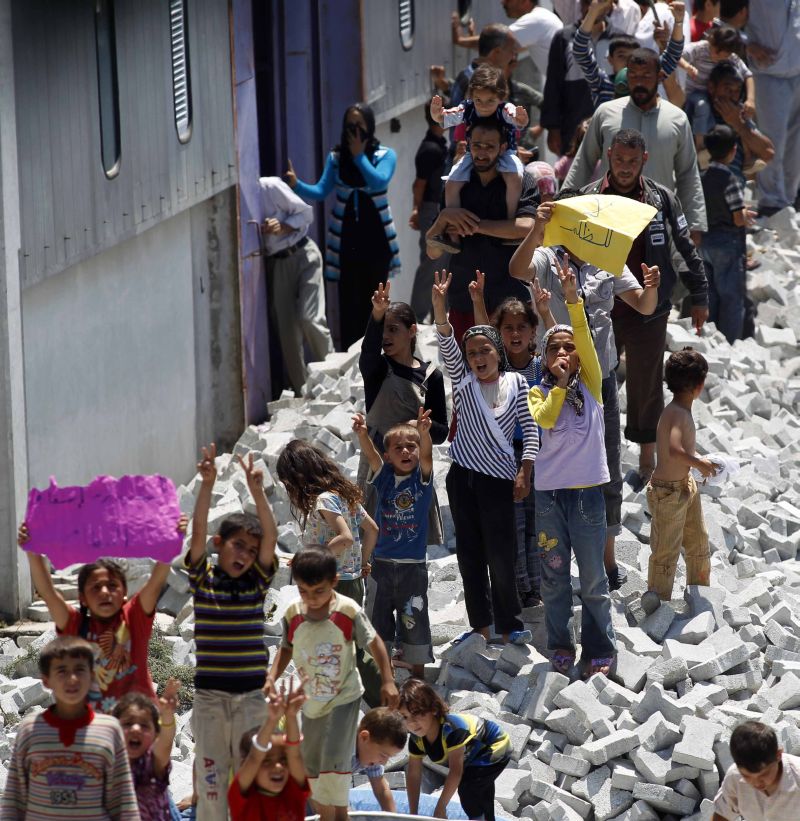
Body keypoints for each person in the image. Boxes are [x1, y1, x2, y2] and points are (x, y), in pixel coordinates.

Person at [510, 193, 661, 590]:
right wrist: (538, 229)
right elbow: (516, 267)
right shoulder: (546, 257)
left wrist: (652, 288)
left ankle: (606, 561)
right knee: (546, 467)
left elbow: (644, 306)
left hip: (599, 380)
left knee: (605, 468)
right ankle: (548, 563)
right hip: (553, 381)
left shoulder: (608, 259)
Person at [578, 128, 709, 485]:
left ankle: (648, 461)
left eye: (632, 161)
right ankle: (596, 459)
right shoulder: (590, 198)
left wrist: (700, 295)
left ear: (644, 160)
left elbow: (685, 246)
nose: (624, 167)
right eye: (618, 159)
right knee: (595, 380)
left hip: (649, 309)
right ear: (608, 156)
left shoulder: (661, 199)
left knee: (646, 383)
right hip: (602, 306)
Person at [432, 270, 536, 645]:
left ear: (498, 354)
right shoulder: (462, 380)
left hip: (499, 482)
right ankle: (480, 624)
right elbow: (446, 341)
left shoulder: (517, 383)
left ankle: (509, 623)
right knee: (470, 555)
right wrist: (440, 305)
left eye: (484, 351)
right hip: (463, 478)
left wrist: (525, 471)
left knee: (502, 555)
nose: (477, 357)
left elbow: (530, 431)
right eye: (472, 352)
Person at [528, 256, 616, 678]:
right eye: (554, 349)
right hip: (548, 497)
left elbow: (580, 331)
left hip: (586, 494)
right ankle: (561, 645)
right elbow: (545, 418)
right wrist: (558, 385)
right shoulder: (538, 391)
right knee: (554, 577)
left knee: (594, 578)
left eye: (569, 349)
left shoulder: (594, 383)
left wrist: (568, 301)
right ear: (544, 359)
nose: (563, 352)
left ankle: (601, 648)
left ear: (581, 357)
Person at [268, 546, 399, 821]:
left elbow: (374, 643)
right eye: (304, 591)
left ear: (334, 582)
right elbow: (286, 648)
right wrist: (271, 677)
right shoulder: (294, 612)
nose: (311, 599)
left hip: (344, 699)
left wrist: (387, 679)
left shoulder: (347, 611)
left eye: (319, 591)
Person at [186, 444, 278, 821]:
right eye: (237, 545)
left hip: (251, 698)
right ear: (218, 546)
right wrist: (207, 485)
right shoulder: (202, 578)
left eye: (250, 550)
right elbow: (196, 532)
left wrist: (257, 490)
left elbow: (270, 538)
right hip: (209, 699)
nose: (244, 554)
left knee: (248, 780)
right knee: (211, 781)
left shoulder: (256, 582)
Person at [18, 517, 186, 714]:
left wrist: (173, 541)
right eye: (96, 587)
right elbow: (48, 592)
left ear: (124, 592)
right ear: (83, 598)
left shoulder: (134, 617)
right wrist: (32, 551)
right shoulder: (75, 625)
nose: (105, 592)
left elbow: (156, 581)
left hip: (136, 725)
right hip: (94, 728)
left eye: (112, 586)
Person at [275, 439, 384, 708]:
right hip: (350, 580)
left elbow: (344, 537)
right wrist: (363, 563)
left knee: (351, 648)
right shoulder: (343, 496)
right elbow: (372, 530)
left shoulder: (324, 500)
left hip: (336, 585)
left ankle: (386, 700)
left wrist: (311, 559)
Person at [286, 103, 400, 349]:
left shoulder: (385, 155)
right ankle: (352, 355)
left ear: (369, 126)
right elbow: (321, 191)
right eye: (350, 125)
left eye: (360, 124)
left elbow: (379, 182)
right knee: (350, 302)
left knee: (376, 301)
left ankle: (379, 352)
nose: (355, 130)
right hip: (346, 242)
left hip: (377, 242)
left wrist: (359, 156)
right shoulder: (337, 159)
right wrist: (296, 184)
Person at [469, 273, 553, 606]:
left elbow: (564, 343)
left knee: (537, 523)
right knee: (514, 523)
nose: (515, 333)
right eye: (508, 328)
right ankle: (518, 587)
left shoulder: (539, 369)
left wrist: (545, 311)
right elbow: (481, 336)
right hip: (504, 457)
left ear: (533, 333)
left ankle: (536, 585)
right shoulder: (497, 368)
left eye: (522, 327)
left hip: (538, 456)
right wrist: (477, 301)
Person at [564, 48, 708, 237]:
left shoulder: (677, 119)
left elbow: (688, 174)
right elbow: (583, 163)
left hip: (658, 226)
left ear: (659, 76)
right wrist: (563, 207)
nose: (639, 82)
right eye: (633, 75)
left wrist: (694, 224)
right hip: (610, 224)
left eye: (646, 76)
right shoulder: (606, 113)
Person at [0, 636, 140, 820]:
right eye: (62, 671)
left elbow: (124, 803)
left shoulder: (109, 730)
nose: (72, 678)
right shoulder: (30, 729)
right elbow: (14, 801)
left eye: (79, 670)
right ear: (46, 680)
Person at [425, 118, 539, 342]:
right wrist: (444, 218)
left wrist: (476, 225)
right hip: (464, 297)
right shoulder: (456, 183)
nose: (482, 152)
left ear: (503, 148)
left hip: (510, 301)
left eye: (489, 146)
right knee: (468, 372)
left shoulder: (520, 180)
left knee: (514, 374)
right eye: (477, 145)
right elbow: (433, 252)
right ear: (468, 145)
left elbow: (527, 227)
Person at [352, 409, 434, 679]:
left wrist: (424, 435)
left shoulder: (421, 480)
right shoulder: (385, 477)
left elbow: (427, 456)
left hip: (413, 568)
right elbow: (372, 457)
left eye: (411, 446)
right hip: (381, 565)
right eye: (398, 447)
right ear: (389, 456)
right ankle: (381, 675)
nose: (406, 451)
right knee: (378, 619)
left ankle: (418, 677)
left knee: (415, 620)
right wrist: (363, 435)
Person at [640, 349, 716, 612]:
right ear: (699, 386)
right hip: (668, 492)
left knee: (697, 539)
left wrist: (698, 460)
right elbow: (673, 449)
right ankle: (657, 604)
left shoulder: (679, 409)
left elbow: (680, 450)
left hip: (685, 486)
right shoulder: (677, 413)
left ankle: (699, 591)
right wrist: (700, 464)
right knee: (666, 551)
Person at [429, 66, 529, 254]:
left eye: (490, 100)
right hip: (472, 153)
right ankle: (453, 235)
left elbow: (516, 118)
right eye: (478, 100)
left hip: (505, 153)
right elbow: (448, 118)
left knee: (514, 177)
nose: (483, 105)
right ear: (471, 96)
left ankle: (511, 221)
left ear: (501, 97)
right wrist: (437, 115)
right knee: (451, 182)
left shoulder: (504, 109)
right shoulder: (467, 108)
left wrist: (521, 120)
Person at [258, 176, 334, 396]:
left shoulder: (269, 187)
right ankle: (305, 397)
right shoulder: (239, 200)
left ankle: (333, 379)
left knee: (310, 318)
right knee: (288, 336)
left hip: (303, 255)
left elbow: (306, 213)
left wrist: (283, 226)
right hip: (278, 264)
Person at [399, 677, 511, 821]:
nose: (411, 722)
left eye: (417, 713)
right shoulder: (416, 740)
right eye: (405, 717)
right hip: (473, 758)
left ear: (433, 708)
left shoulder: (451, 730)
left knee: (468, 789)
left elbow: (456, 772)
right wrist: (412, 814)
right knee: (481, 795)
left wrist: (440, 807)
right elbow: (414, 775)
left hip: (495, 745)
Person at [700, 125, 755, 343]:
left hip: (703, 242)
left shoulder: (701, 177)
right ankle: (731, 343)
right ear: (733, 151)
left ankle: (711, 341)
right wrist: (744, 212)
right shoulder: (730, 179)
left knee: (710, 295)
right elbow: (737, 218)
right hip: (726, 243)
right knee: (731, 297)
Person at [573, 0, 685, 108]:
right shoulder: (601, 83)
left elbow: (672, 56)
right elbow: (580, 50)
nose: (627, 61)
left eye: (632, 57)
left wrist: (679, 22)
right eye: (621, 56)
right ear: (610, 59)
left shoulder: (647, 82)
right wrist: (593, 11)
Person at [745, 0, 800, 216]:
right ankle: (771, 201)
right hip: (768, 72)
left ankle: (789, 197)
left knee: (797, 141)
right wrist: (746, 44)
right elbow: (723, 20)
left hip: (798, 70)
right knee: (772, 140)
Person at [228, 677, 310, 821]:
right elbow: (254, 757)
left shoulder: (293, 792)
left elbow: (294, 754)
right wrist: (271, 720)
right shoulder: (242, 800)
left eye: (283, 760)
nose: (278, 766)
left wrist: (291, 716)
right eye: (266, 761)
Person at [687, 61, 775, 182]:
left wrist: (738, 125)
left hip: (733, 192)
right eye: (727, 88)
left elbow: (768, 153)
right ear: (712, 87)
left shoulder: (740, 115)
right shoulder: (696, 111)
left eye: (737, 90)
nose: (733, 95)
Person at [112, 679, 180, 821]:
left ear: (155, 734)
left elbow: (165, 743)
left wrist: (167, 714)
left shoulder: (152, 763)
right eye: (128, 723)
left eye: (144, 725)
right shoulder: (107, 763)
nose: (136, 729)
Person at [409, 100, 449, 321]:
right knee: (430, 264)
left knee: (442, 263)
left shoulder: (440, 145)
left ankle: (438, 313)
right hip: (431, 209)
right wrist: (416, 210)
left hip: (438, 209)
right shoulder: (430, 149)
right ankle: (415, 315)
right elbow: (419, 184)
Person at [713, 721, 800, 821]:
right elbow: (722, 815)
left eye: (764, 774)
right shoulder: (735, 777)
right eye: (747, 776)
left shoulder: (797, 776)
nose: (756, 783)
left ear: (778, 755)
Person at [681, 25, 754, 115]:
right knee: (702, 106)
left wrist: (750, 100)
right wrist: (686, 66)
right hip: (694, 93)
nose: (717, 58)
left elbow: (748, 75)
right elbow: (677, 55)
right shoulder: (699, 49)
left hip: (715, 96)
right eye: (716, 53)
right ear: (712, 41)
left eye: (723, 57)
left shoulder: (731, 58)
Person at [351, 708, 408, 813]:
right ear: (364, 737)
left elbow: (382, 790)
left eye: (389, 757)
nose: (384, 762)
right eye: (383, 755)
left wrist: (391, 817)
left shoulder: (369, 750)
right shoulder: (343, 752)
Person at [502, 0, 564, 88]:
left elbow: (495, 40)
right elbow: (513, 46)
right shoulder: (543, 15)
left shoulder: (535, 19)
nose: (503, 3)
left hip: (568, 87)